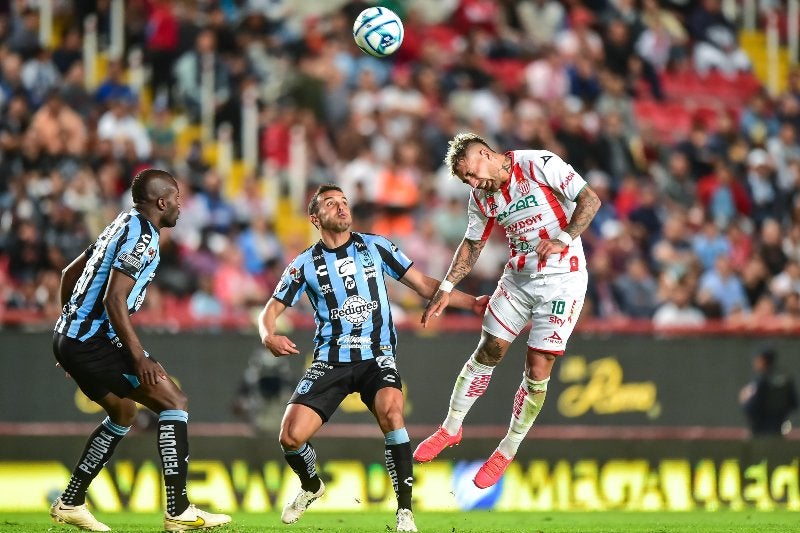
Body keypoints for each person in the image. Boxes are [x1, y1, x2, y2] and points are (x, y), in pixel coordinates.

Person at [259, 184, 487, 532]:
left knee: (393, 413)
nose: (341, 207)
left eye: (344, 202)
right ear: (314, 218)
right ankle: (311, 487)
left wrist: (471, 303)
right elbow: (270, 311)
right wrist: (267, 334)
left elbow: (425, 285)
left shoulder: (375, 246)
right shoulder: (304, 264)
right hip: (330, 360)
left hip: (376, 355)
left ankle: (405, 513)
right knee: (290, 438)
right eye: (331, 204)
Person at [414, 133, 601, 489]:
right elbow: (473, 244)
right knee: (489, 349)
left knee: (538, 366)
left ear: (485, 153)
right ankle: (450, 428)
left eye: (471, 172)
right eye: (466, 180)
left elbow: (590, 201)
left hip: (564, 278)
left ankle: (506, 450)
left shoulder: (539, 163)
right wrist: (447, 287)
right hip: (518, 278)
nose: (473, 182)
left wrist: (561, 239)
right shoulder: (481, 197)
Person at [50, 169, 231, 532]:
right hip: (91, 340)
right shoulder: (142, 237)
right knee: (173, 402)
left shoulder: (121, 223)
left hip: (72, 337)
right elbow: (114, 298)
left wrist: (69, 335)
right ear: (162, 202)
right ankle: (178, 510)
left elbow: (70, 273)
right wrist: (138, 357)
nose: (181, 205)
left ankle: (70, 502)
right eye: (178, 199)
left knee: (123, 412)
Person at [739, 347, 798, 437]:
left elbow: (752, 408)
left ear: (763, 361)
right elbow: (794, 404)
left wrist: (745, 399)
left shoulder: (761, 382)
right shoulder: (786, 381)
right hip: (778, 431)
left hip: (760, 433)